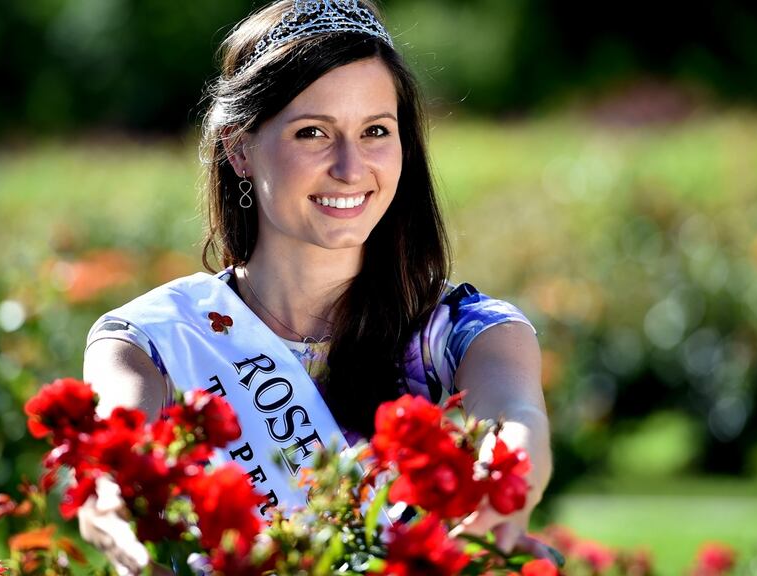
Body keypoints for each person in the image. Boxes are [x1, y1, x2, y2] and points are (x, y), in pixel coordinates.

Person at [79, 1, 553, 573]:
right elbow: (114, 450)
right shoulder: (149, 341)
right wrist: (107, 496)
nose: (351, 168)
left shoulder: (463, 332)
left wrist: (510, 467)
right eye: (313, 133)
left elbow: (514, 412)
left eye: (376, 130)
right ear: (240, 148)